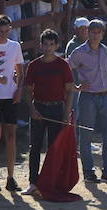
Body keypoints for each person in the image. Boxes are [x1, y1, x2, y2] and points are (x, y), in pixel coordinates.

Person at [69, 19, 107, 183]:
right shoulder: (79, 51)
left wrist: (106, 86)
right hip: (87, 97)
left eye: (98, 32)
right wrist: (76, 86)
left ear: (102, 34)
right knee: (86, 136)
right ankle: (88, 171)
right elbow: (67, 68)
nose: (95, 34)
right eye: (92, 31)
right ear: (88, 32)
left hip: (102, 95)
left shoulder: (104, 49)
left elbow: (103, 71)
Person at [22, 30, 75, 195]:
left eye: (51, 44)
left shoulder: (63, 65)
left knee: (54, 148)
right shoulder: (34, 65)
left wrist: (66, 113)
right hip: (39, 108)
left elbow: (70, 90)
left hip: (57, 108)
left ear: (57, 46)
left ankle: (52, 182)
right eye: (45, 44)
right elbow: (28, 91)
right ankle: (33, 182)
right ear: (40, 45)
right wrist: (32, 109)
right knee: (35, 147)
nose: (48, 48)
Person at [0, 15, 25, 193]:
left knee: (10, 136)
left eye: (6, 30)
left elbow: (20, 72)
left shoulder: (15, 46)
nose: (3, 33)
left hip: (10, 96)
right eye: (0, 31)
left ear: (10, 29)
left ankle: (10, 177)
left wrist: (19, 89)